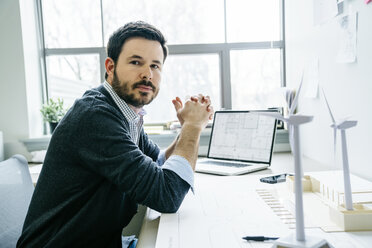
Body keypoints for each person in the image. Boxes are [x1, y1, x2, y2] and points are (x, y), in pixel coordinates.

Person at [17, 21, 213, 248]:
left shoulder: (126, 113)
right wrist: (192, 128)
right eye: (136, 62)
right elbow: (166, 196)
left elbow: (157, 164)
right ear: (110, 67)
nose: (147, 74)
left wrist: (186, 129)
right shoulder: (95, 117)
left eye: (155, 66)